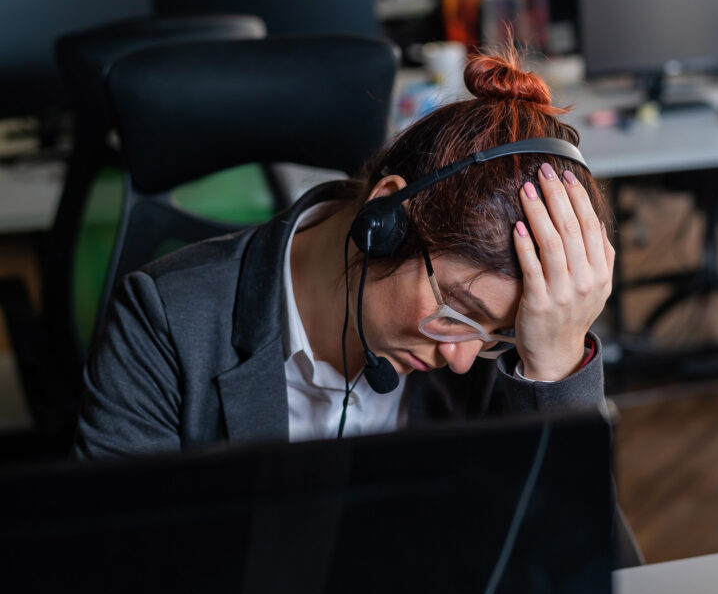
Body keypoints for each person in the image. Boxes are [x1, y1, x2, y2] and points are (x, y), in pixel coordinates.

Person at [76, 49, 615, 458]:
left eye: (497, 337)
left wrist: (555, 363)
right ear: (384, 218)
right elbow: (118, 573)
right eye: (456, 315)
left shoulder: (500, 357)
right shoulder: (166, 327)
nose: (462, 360)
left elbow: (579, 560)